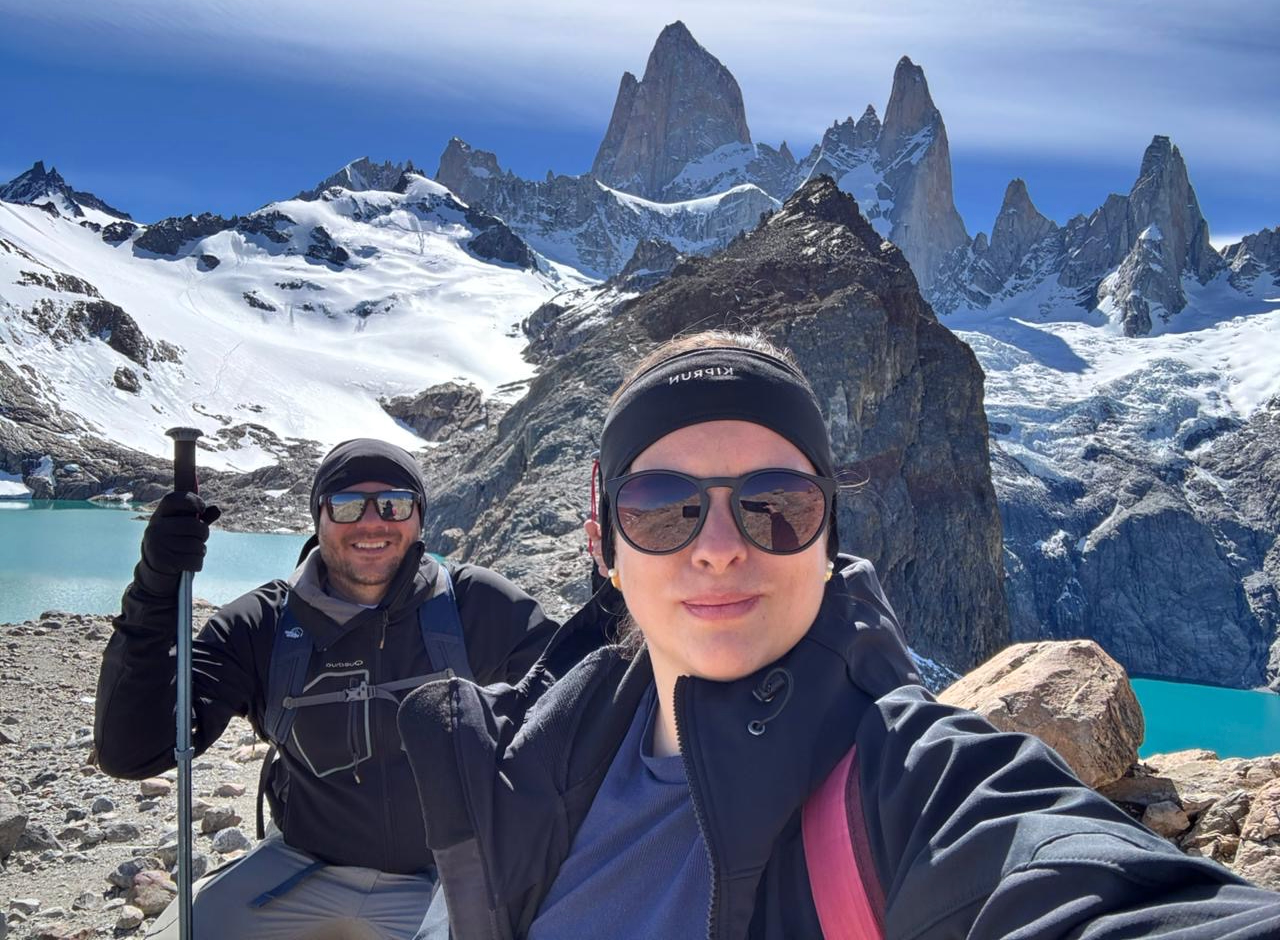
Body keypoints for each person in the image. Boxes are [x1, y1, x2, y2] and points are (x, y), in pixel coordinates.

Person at [396, 331, 1280, 939]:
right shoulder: (519, 758)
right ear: (604, 542)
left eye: (775, 505)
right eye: (662, 507)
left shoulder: (911, 783)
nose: (717, 549)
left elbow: (1075, 884)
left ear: (828, 536)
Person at [95, 438, 557, 940]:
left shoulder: (477, 606)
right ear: (318, 517)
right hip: (301, 868)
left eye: (395, 504)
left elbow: (586, 694)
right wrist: (156, 588)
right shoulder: (263, 624)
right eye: (347, 505)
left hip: (449, 878)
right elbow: (132, 752)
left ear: (420, 517)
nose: (372, 522)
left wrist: (618, 580)